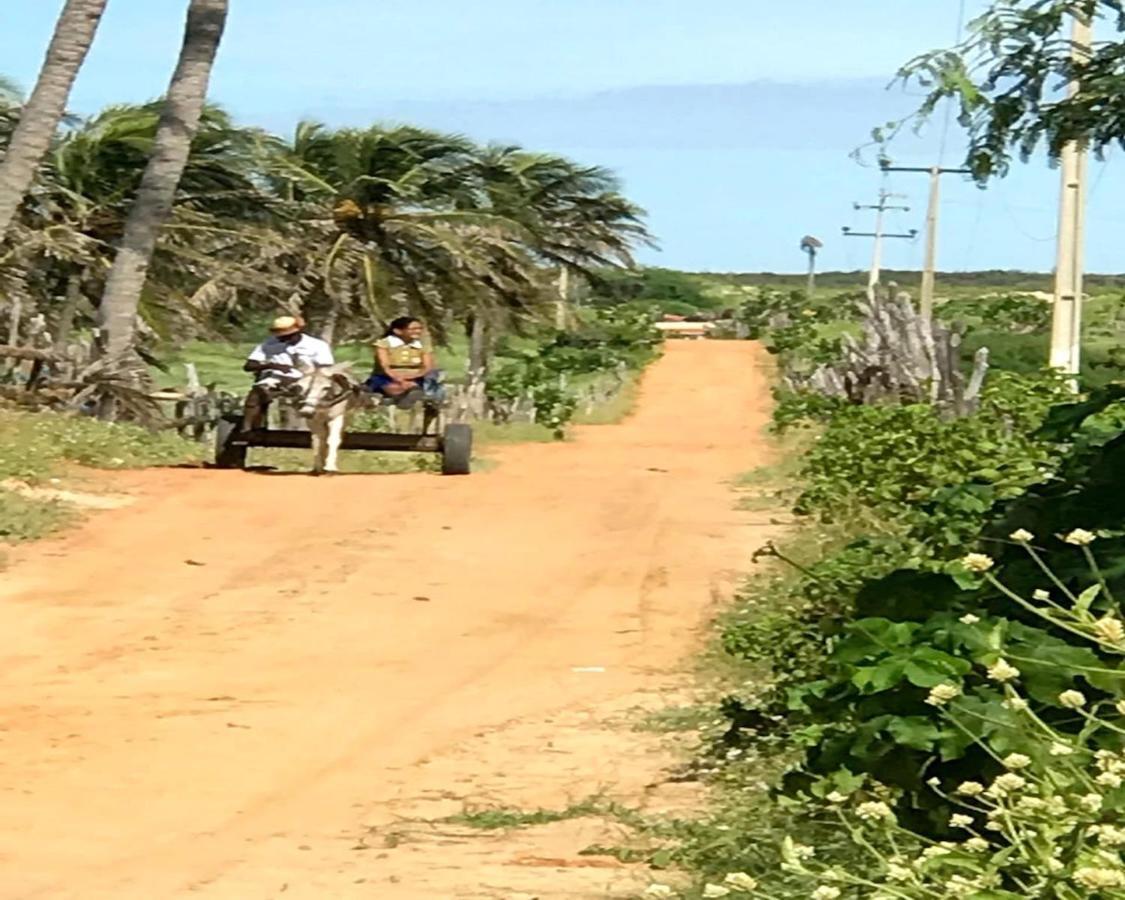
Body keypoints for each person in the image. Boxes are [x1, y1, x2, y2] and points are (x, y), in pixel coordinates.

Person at [241, 315, 334, 428]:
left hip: (307, 379)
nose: (284, 339)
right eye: (281, 336)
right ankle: (248, 428)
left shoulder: (317, 345)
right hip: (275, 378)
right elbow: (249, 366)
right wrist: (272, 365)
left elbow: (325, 367)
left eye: (288, 336)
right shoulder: (268, 344)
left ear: (298, 332)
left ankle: (324, 425)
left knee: (321, 393)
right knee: (256, 395)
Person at [365, 316, 443, 403]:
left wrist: (411, 377)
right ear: (398, 331)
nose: (418, 331)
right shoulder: (384, 345)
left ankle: (406, 396)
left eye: (419, 328)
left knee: (413, 385)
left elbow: (427, 366)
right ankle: (401, 397)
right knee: (392, 386)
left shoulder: (422, 346)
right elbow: (385, 365)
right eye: (413, 329)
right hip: (387, 376)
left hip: (414, 376)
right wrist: (398, 377)